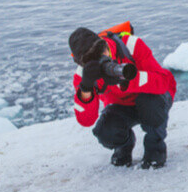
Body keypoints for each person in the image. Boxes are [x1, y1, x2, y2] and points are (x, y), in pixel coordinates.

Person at [68, 23, 177, 169]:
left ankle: (155, 148)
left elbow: (164, 83)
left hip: (153, 98)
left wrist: (128, 80)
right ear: (83, 63)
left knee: (151, 105)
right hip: (123, 106)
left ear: (104, 43)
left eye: (102, 50)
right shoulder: (83, 75)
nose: (104, 57)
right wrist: (86, 88)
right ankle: (124, 146)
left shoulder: (131, 46)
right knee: (105, 131)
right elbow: (86, 120)